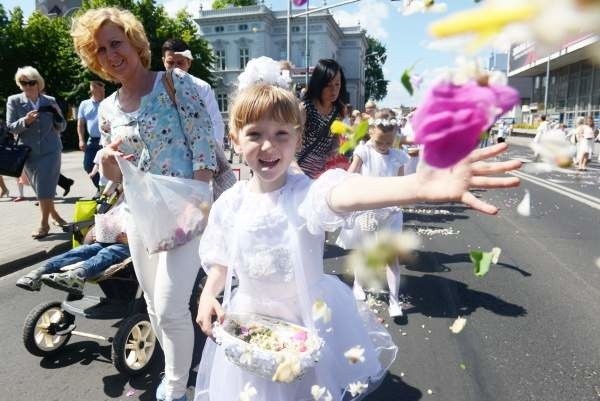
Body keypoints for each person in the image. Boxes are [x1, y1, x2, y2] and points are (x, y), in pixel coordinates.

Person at [194, 61, 521, 401]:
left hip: (306, 326)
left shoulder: (304, 193)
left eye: (281, 134)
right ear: (234, 137)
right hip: (250, 327)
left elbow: (344, 193)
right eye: (255, 134)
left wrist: (418, 185)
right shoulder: (230, 203)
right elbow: (220, 259)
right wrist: (208, 295)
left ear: (298, 137)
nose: (268, 146)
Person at [71, 8, 218, 401]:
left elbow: (204, 147)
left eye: (116, 43)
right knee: (153, 306)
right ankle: (173, 373)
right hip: (140, 214)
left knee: (171, 309)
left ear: (135, 43)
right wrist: (107, 165)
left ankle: (175, 388)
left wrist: (197, 203)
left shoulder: (173, 83)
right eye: (100, 49)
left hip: (185, 210)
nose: (111, 54)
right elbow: (117, 177)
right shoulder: (108, 108)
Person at [335, 109, 410, 317]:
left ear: (394, 136)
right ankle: (358, 284)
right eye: (380, 142)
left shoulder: (398, 157)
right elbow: (351, 175)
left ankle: (395, 300)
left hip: (391, 210)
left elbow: (401, 183)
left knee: (391, 256)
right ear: (371, 133)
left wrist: (402, 200)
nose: (384, 147)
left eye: (388, 142)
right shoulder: (364, 151)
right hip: (368, 208)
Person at [6, 66, 68, 239]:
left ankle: (44, 224)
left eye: (31, 82)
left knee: (44, 188)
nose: (28, 86)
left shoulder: (49, 100)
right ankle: (55, 216)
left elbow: (62, 126)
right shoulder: (14, 101)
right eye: (24, 83)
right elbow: (11, 127)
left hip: (51, 150)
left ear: (38, 83)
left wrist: (57, 114)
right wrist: (25, 121)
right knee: (41, 188)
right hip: (29, 153)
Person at [15, 203, 130, 295]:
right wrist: (98, 231)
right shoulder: (125, 197)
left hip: (133, 246)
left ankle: (77, 276)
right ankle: (40, 272)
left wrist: (128, 241)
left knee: (109, 251)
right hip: (110, 239)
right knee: (83, 250)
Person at [162, 38, 225, 149]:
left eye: (180, 63)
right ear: (163, 61)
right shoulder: (153, 87)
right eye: (170, 63)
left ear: (189, 63)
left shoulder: (202, 88)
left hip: (196, 153)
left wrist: (212, 154)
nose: (175, 68)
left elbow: (215, 122)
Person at [296, 59, 348, 178]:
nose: (334, 90)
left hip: (322, 174)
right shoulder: (305, 108)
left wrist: (335, 150)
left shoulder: (339, 111)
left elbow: (334, 138)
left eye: (337, 84)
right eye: (328, 85)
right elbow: (293, 141)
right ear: (318, 84)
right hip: (299, 173)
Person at [78, 80, 106, 190]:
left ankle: (108, 189)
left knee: (107, 165)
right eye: (95, 86)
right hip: (93, 140)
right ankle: (100, 188)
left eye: (101, 86)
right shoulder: (84, 104)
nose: (100, 90)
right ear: (91, 89)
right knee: (88, 165)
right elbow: (80, 124)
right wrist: (81, 139)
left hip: (106, 139)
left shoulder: (108, 102)